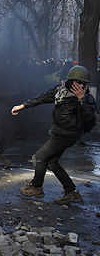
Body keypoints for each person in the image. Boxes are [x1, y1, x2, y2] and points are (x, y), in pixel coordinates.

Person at [11, 65, 96, 204]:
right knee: (52, 162)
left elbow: (90, 120)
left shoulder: (87, 99)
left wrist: (81, 101)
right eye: (76, 82)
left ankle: (36, 187)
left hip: (68, 135)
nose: (78, 85)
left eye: (82, 83)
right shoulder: (61, 90)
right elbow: (43, 97)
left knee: (39, 157)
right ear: (70, 81)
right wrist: (23, 106)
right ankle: (71, 192)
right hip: (58, 131)